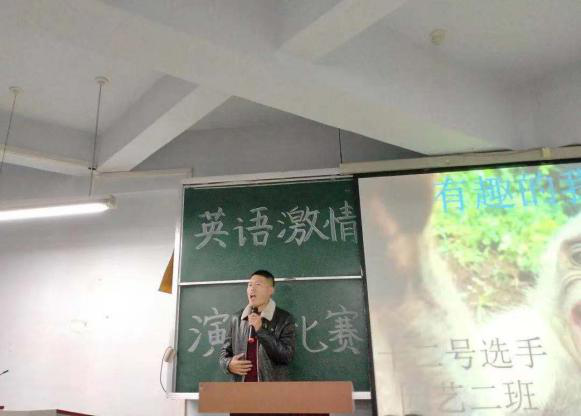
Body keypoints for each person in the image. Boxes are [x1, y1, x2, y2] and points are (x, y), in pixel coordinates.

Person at [219, 269, 296, 382]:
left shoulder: (284, 319)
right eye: (249, 285)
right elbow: (224, 353)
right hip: (241, 389)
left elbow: (286, 356)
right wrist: (228, 364)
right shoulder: (237, 319)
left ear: (270, 290)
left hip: (271, 389)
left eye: (258, 284)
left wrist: (261, 330)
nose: (252, 289)